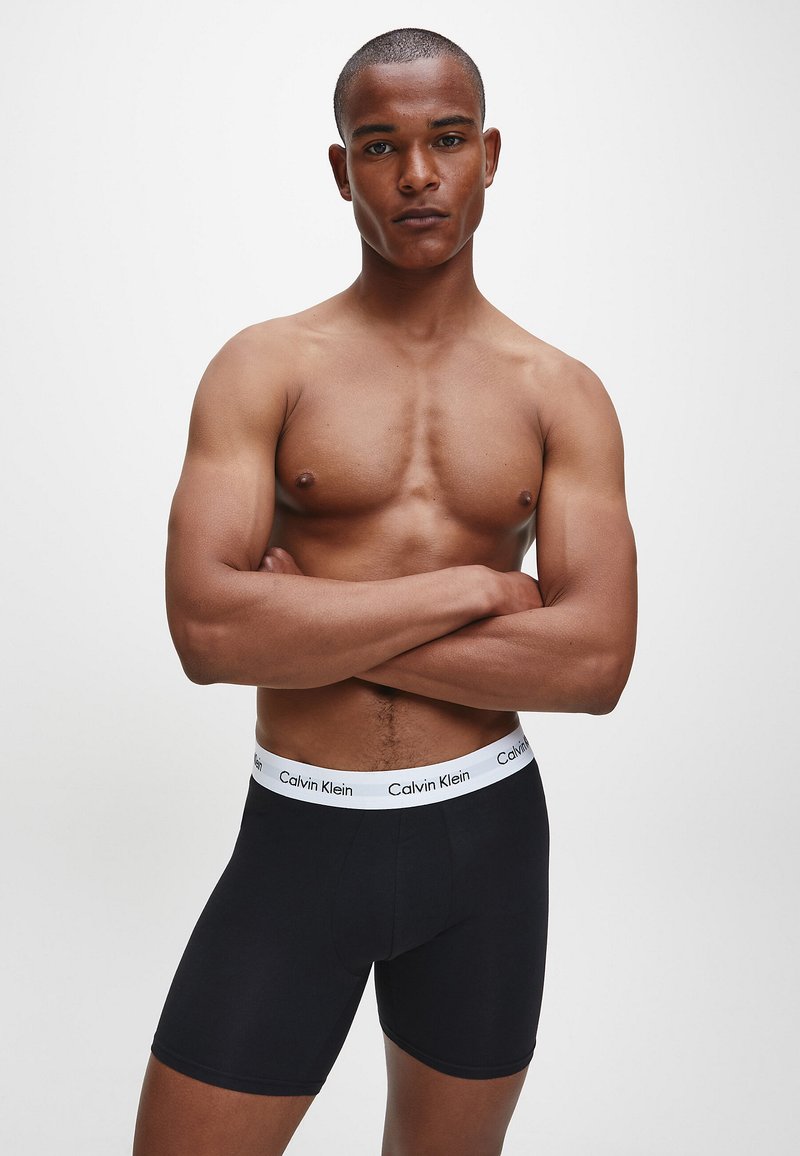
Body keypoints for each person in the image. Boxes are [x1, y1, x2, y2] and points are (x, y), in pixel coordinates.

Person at [133, 26, 637, 1156]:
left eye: (447, 140)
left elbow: (595, 663)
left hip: (486, 844)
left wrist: (304, 621)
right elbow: (207, 631)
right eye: (380, 145)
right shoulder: (265, 368)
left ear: (487, 155)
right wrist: (476, 590)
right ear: (341, 168)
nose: (417, 174)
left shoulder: (560, 394)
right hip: (299, 844)